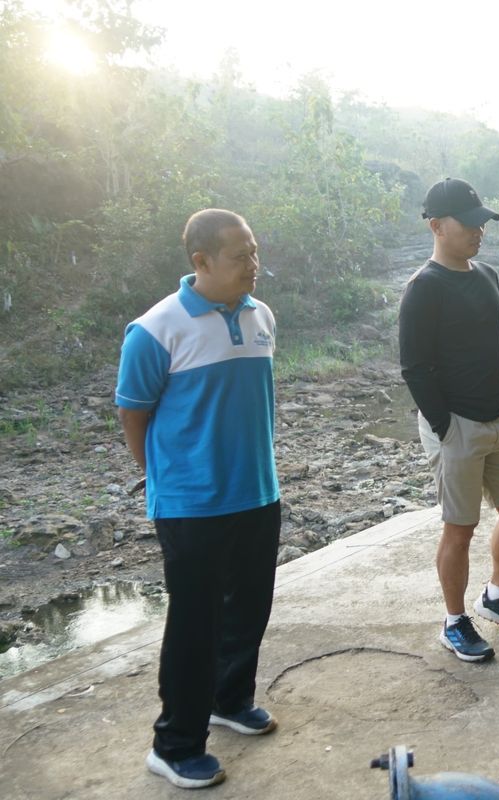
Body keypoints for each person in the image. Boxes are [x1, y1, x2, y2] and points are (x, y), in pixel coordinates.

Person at [116, 209, 281, 789]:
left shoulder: (261, 316)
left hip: (257, 491)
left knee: (250, 607)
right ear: (201, 261)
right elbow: (133, 414)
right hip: (192, 504)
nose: (253, 264)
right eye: (240, 256)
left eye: (255, 252)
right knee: (194, 623)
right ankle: (175, 745)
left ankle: (228, 700)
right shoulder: (155, 330)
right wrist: (162, 476)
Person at [399, 178, 499, 663]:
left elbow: (498, 344)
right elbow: (414, 368)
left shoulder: (487, 275)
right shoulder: (423, 288)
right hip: (456, 423)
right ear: (437, 226)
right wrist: (445, 426)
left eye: (483, 222)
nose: (479, 231)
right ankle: (454, 621)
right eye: (469, 223)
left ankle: (496, 596)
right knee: (460, 527)